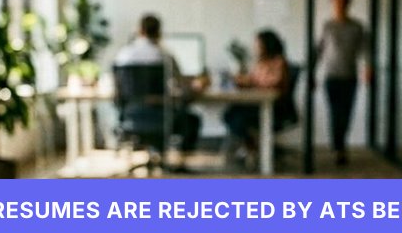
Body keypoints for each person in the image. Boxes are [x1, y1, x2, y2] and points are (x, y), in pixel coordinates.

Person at [113, 14, 203, 169]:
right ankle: (180, 164)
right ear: (159, 33)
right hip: (161, 117)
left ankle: (155, 154)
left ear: (139, 30)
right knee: (192, 120)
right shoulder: (165, 56)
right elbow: (182, 87)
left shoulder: (123, 55)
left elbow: (117, 91)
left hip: (131, 116)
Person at [317, 0, 370, 166]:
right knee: (335, 113)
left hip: (349, 76)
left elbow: (366, 50)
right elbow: (319, 50)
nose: (338, 5)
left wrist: (368, 67)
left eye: (342, 2)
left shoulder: (357, 27)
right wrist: (311, 72)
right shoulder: (327, 26)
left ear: (348, 4)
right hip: (331, 76)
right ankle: (339, 148)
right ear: (332, 4)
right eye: (335, 2)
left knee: (346, 114)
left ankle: (340, 146)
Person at [224, 30, 292, 167]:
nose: (255, 47)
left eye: (257, 44)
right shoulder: (260, 62)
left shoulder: (279, 62)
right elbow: (252, 79)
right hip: (258, 104)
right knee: (230, 113)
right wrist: (238, 79)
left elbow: (274, 82)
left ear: (267, 45)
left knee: (238, 118)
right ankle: (252, 146)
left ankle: (254, 147)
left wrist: (254, 82)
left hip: (275, 107)